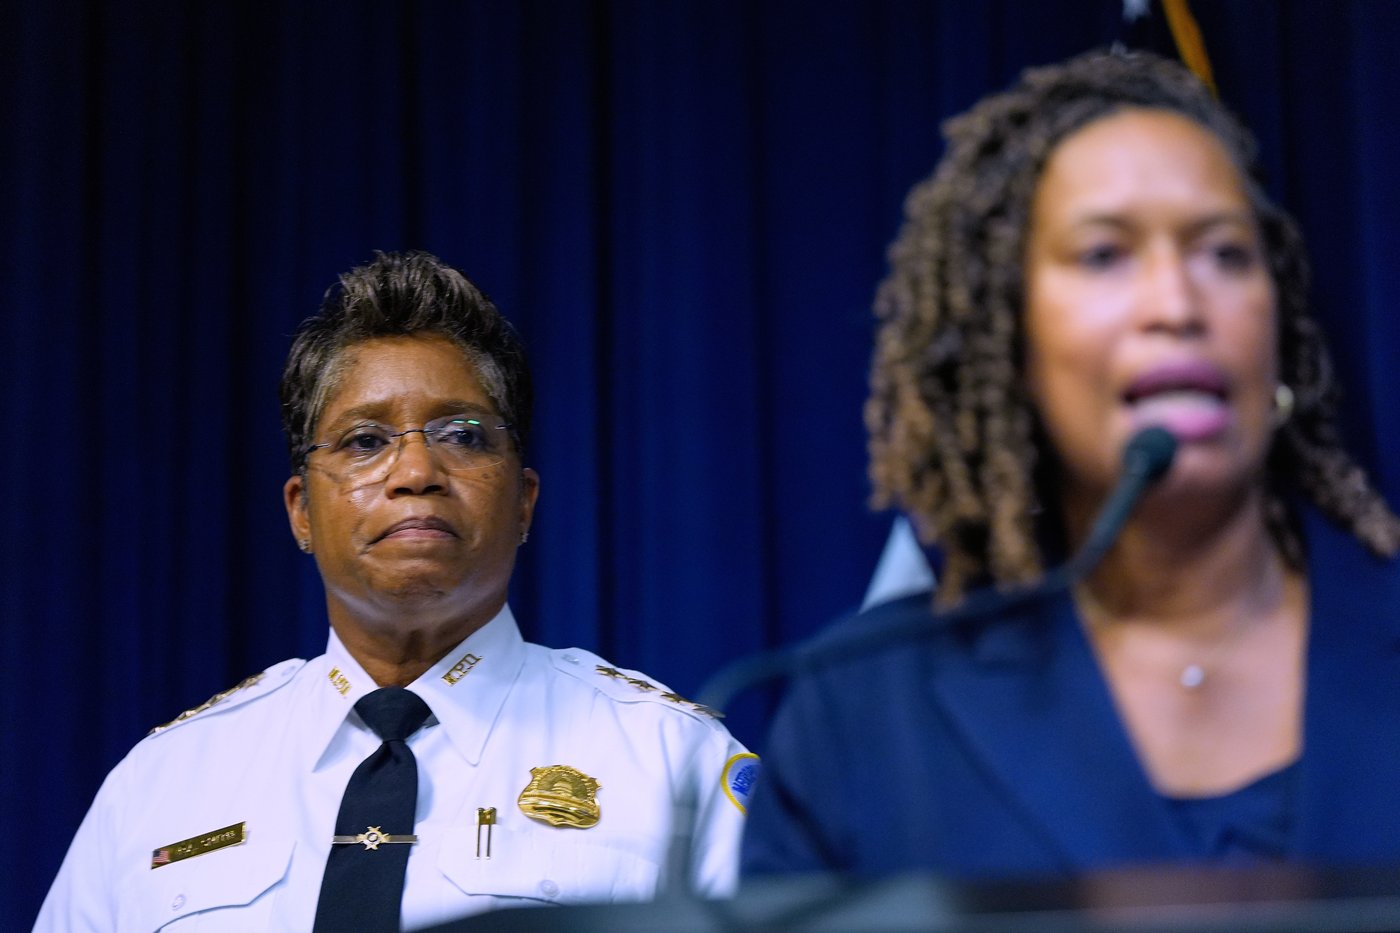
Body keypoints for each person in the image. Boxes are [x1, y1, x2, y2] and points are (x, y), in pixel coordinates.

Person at [742, 49, 1400, 879]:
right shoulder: (866, 712)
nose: (1177, 303)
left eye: (1225, 252)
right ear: (1010, 339)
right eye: (1104, 255)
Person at [36, 251, 754, 931]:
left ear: (526, 502)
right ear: (300, 511)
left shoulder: (671, 761)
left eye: (465, 435)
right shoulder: (160, 785)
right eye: (364, 441)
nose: (416, 470)